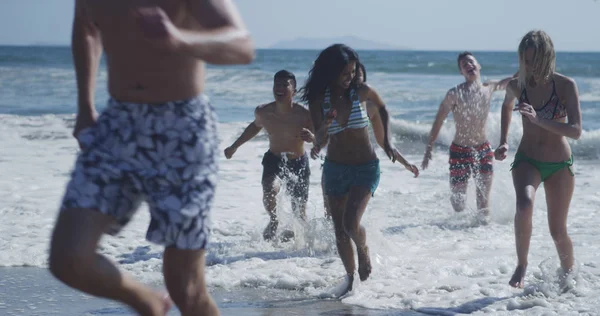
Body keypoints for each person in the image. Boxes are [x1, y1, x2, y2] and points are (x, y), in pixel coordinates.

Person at [48, 1, 254, 316]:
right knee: (68, 258)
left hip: (182, 130)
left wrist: (179, 38)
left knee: (186, 288)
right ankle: (146, 302)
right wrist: (85, 105)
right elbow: (86, 26)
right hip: (117, 123)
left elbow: (242, 45)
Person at [302, 44, 419, 296]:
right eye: (345, 73)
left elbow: (384, 109)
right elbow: (320, 136)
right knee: (339, 229)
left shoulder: (362, 92)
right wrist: (324, 129)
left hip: (365, 167)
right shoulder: (318, 99)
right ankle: (350, 280)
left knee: (350, 223)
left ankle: (364, 250)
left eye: (353, 72)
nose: (350, 78)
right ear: (330, 72)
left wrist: (387, 142)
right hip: (334, 168)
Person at [495, 30, 582, 288]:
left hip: (559, 164)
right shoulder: (518, 84)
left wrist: (538, 120)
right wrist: (503, 140)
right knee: (524, 205)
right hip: (527, 158)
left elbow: (576, 131)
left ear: (547, 57)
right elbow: (507, 105)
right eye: (525, 61)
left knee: (557, 231)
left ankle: (569, 277)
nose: (529, 66)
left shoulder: (566, 85)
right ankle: (522, 264)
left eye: (533, 60)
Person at [421, 52, 516, 217]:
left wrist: (526, 69)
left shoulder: (489, 87)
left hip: (483, 150)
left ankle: (482, 234)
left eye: (471, 62)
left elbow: (510, 83)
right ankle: (460, 234)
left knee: (483, 203)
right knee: (458, 204)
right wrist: (429, 148)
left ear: (478, 66)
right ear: (461, 73)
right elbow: (438, 120)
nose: (468, 66)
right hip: (459, 151)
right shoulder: (454, 93)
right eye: (464, 65)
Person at [224, 70, 314, 241]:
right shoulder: (264, 112)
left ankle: (303, 243)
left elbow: (319, 136)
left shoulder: (304, 114)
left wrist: (313, 139)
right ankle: (274, 221)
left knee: (299, 210)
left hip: (298, 162)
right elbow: (254, 127)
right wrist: (234, 146)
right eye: (277, 84)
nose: (279, 88)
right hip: (274, 159)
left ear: (294, 90)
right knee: (269, 190)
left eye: (285, 85)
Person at [322, 62, 368, 219]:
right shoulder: (333, 102)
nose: (354, 79)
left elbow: (384, 140)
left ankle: (358, 243)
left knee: (350, 217)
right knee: (330, 214)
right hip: (334, 165)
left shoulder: (369, 106)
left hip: (360, 167)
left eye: (357, 76)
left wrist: (403, 162)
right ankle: (332, 243)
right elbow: (323, 135)